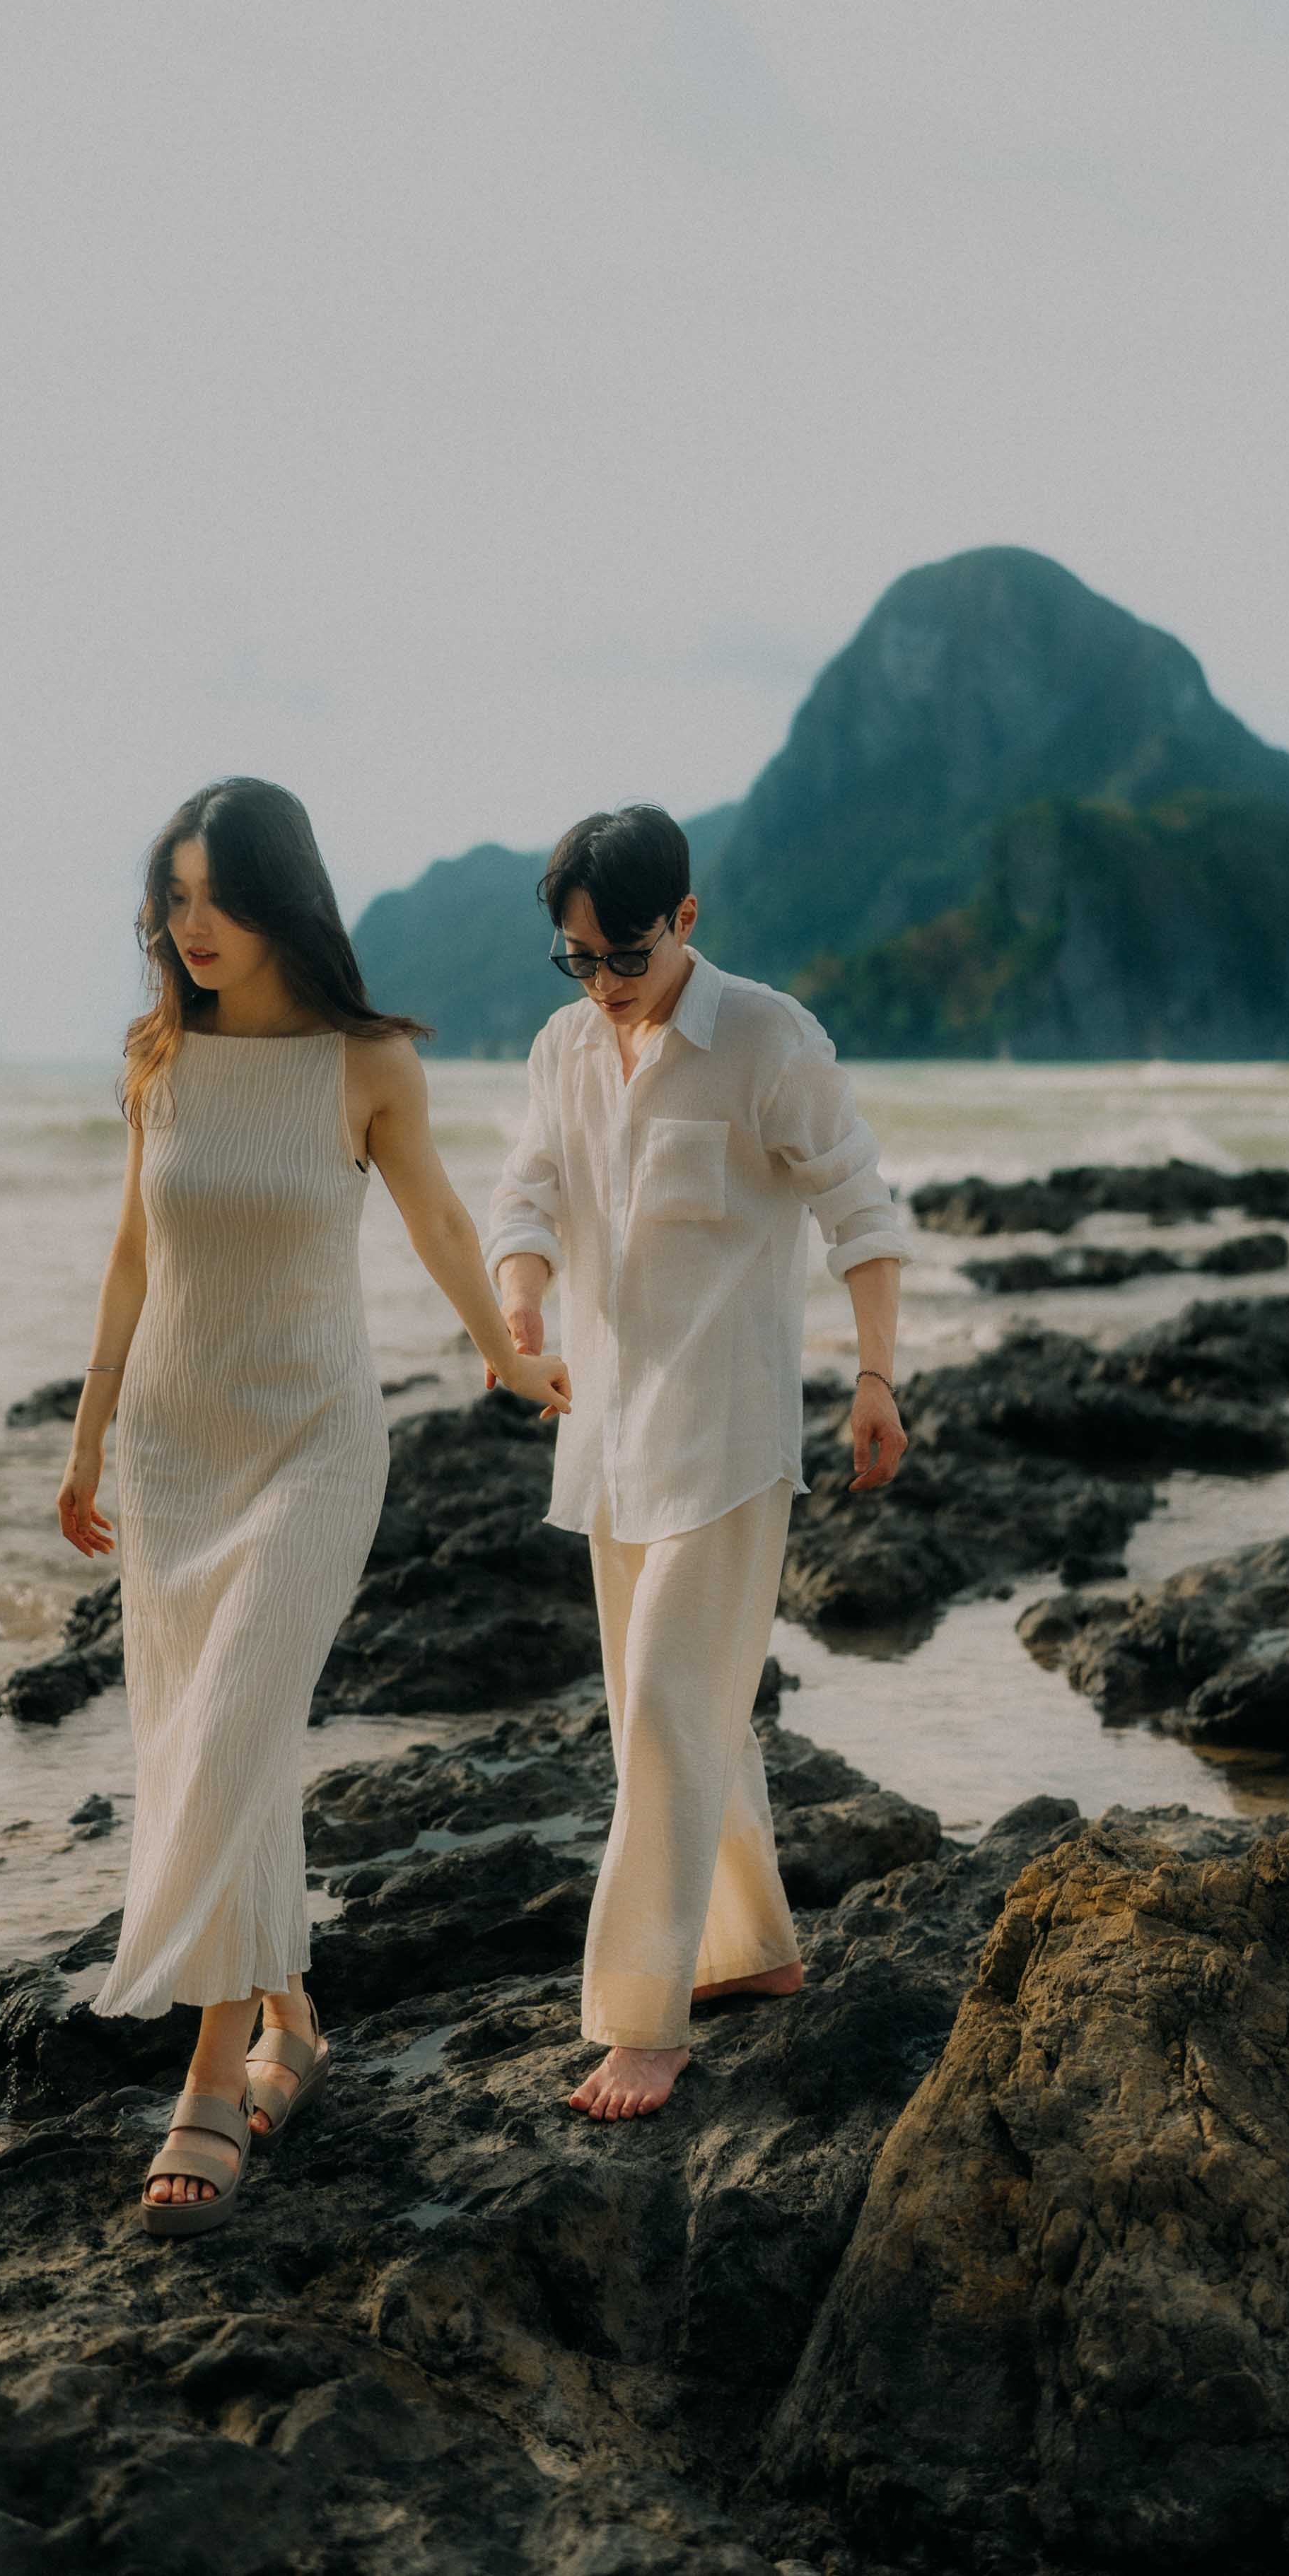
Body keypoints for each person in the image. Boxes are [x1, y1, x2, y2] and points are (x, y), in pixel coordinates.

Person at [57, 776, 570, 2235]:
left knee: (227, 1728)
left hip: (313, 1445)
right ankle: (290, 2018)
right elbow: (128, 1257)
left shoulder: (366, 1063)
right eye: (173, 895)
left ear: (283, 899)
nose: (190, 922)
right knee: (217, 1741)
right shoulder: (158, 1059)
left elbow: (442, 1220)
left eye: (216, 894)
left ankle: (210, 2073)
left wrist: (513, 1355)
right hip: (167, 1447)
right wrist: (87, 1436)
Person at [484, 803, 909, 2124]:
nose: (604, 987)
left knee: (670, 1705)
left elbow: (860, 1205)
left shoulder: (769, 1039)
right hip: (611, 1439)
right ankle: (752, 1950)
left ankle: (643, 2020)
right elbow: (529, 1187)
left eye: (625, 959)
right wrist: (519, 1300)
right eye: (578, 961)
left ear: (686, 920)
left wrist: (878, 1376)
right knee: (671, 1713)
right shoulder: (566, 1046)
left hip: (727, 1438)